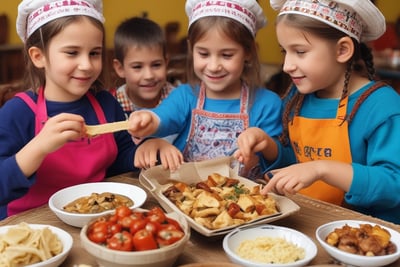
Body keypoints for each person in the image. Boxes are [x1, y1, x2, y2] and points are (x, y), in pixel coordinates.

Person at [234, 0, 400, 224]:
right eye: (285, 51)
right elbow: (299, 163)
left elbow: (394, 184)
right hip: (309, 220)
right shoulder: (298, 99)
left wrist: (323, 169)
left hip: (366, 234)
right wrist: (271, 148)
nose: (286, 65)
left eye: (300, 52)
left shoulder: (381, 106)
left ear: (342, 50)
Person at [0, 0, 141, 220]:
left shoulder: (106, 103)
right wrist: (38, 148)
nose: (86, 64)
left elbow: (119, 161)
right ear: (39, 56)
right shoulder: (17, 113)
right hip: (31, 228)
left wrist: (147, 149)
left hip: (99, 220)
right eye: (72, 52)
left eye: (94, 53)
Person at [129, 0, 283, 179]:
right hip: (185, 196)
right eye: (203, 54)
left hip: (241, 203)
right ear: (191, 49)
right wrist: (148, 119)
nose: (214, 66)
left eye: (226, 55)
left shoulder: (267, 104)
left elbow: (278, 162)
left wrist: (265, 142)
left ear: (249, 52)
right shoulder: (185, 96)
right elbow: (163, 117)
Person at [110, 16, 177, 144]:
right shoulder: (112, 105)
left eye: (156, 65)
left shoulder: (178, 100)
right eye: (137, 67)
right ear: (120, 68)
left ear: (166, 63)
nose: (149, 76)